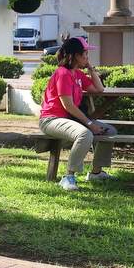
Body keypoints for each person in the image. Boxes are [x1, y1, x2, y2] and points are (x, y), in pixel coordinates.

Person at [37, 37, 117, 191]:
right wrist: (90, 124)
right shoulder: (63, 74)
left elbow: (99, 89)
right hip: (51, 119)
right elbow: (68, 105)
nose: (87, 57)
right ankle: (68, 177)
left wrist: (90, 69)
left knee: (110, 131)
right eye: (85, 54)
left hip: (69, 118)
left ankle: (96, 173)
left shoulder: (77, 74)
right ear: (74, 56)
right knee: (85, 134)